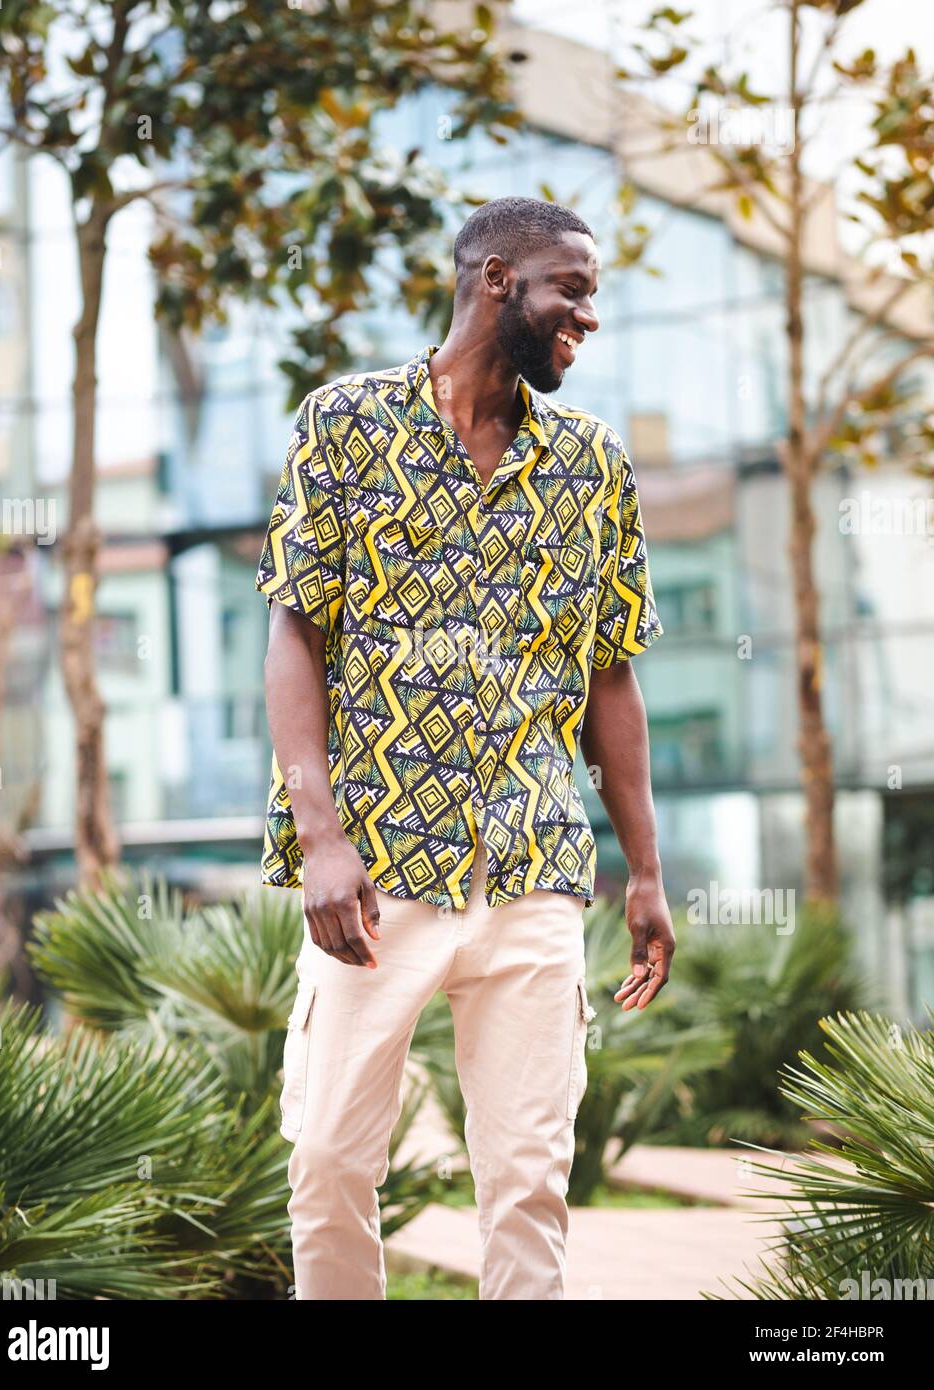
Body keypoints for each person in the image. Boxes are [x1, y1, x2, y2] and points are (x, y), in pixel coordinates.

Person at [256, 195, 675, 1300]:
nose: (587, 316)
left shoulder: (594, 466)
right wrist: (320, 837)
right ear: (497, 279)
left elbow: (610, 672)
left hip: (534, 859)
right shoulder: (344, 423)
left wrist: (645, 869)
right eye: (571, 290)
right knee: (331, 1158)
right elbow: (294, 633)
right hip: (379, 867)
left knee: (529, 1178)